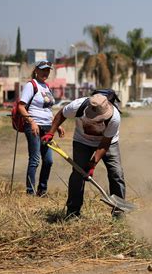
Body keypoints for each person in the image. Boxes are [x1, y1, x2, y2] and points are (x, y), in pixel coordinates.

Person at [42, 93, 126, 218]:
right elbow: (61, 114)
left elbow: (104, 144)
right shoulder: (77, 106)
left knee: (116, 173)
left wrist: (92, 164)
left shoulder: (114, 117)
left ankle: (118, 212)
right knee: (78, 174)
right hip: (82, 141)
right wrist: (51, 132)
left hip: (108, 143)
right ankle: (73, 212)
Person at [18, 60, 64, 196]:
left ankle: (42, 190)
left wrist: (57, 125)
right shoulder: (31, 85)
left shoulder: (46, 87)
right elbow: (21, 106)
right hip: (34, 126)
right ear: (36, 70)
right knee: (35, 159)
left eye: (48, 70)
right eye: (43, 70)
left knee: (49, 161)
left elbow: (48, 110)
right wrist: (31, 122)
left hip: (47, 127)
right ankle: (30, 191)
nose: (45, 72)